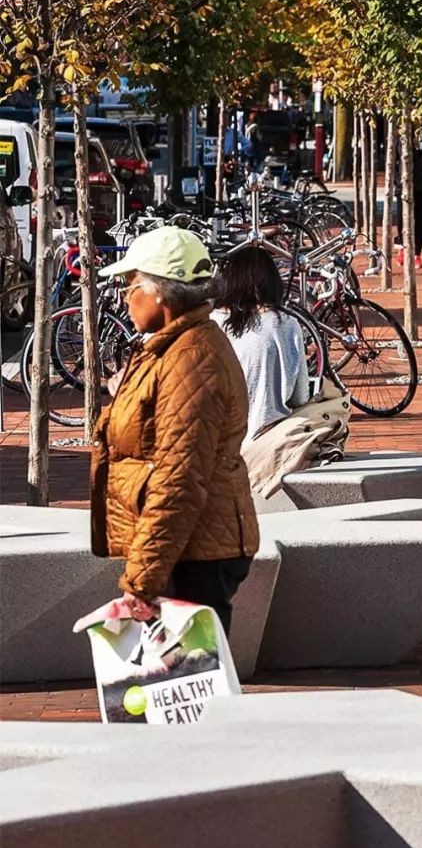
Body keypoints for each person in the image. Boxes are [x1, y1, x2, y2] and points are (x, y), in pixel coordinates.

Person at [90, 226, 258, 632]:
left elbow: (179, 477)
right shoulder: (170, 349)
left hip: (194, 555)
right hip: (185, 549)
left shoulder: (191, 359)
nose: (125, 297)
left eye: (131, 285)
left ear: (161, 293)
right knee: (176, 685)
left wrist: (142, 581)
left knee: (186, 688)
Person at [211, 245, 308, 442]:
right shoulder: (286, 324)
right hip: (270, 443)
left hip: (219, 445)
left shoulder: (211, 323)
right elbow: (301, 396)